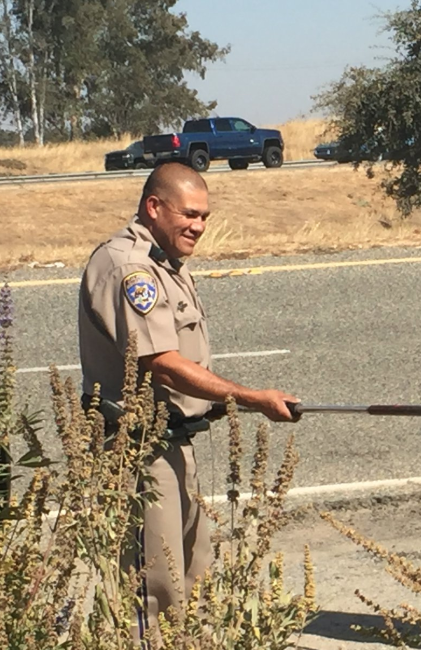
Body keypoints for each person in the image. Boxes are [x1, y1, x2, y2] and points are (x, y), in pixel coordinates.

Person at [78, 162, 300, 641]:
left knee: (194, 577)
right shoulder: (129, 267)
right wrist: (250, 397)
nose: (199, 226)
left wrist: (215, 404)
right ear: (153, 207)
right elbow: (162, 364)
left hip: (175, 441)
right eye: (190, 214)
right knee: (153, 588)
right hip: (136, 453)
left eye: (205, 217)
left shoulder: (167, 264)